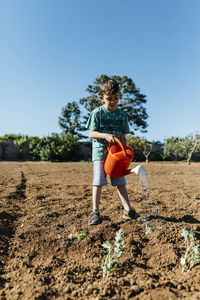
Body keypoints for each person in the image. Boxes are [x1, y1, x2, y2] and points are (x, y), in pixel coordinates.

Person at [86, 78, 139, 225]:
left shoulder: (122, 116)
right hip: (100, 153)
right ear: (101, 98)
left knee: (120, 182)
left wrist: (126, 156)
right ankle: (95, 212)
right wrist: (106, 136)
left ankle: (128, 211)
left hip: (116, 157)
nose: (113, 101)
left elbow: (123, 137)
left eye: (116, 98)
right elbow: (91, 133)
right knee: (99, 181)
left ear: (119, 96)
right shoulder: (97, 113)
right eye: (109, 99)